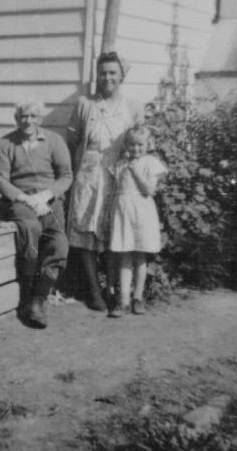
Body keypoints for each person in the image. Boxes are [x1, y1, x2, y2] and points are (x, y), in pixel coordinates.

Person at [66, 51, 142, 311]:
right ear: (97, 75)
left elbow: (139, 140)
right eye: (103, 72)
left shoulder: (132, 106)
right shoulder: (85, 104)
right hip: (89, 174)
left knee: (114, 230)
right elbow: (73, 141)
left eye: (112, 72)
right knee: (86, 229)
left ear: (122, 75)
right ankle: (94, 291)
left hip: (118, 176)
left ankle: (114, 289)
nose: (107, 77)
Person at [0, 99, 73, 329]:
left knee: (59, 243)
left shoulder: (54, 141)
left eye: (32, 116)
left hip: (48, 200)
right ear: (16, 119)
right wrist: (26, 199)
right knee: (30, 229)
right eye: (22, 116)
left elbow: (66, 176)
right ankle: (26, 296)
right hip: (20, 200)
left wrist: (46, 196)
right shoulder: (5, 144)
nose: (27, 121)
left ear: (40, 118)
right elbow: (1, 180)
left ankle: (39, 300)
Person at [105, 124, 166, 317]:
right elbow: (115, 189)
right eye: (132, 145)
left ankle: (138, 297)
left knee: (140, 257)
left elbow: (148, 190)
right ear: (126, 145)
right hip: (123, 214)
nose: (136, 149)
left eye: (140, 145)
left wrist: (136, 172)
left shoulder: (150, 162)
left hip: (142, 214)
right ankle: (123, 300)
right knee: (124, 257)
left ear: (147, 144)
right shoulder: (120, 163)